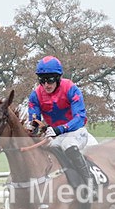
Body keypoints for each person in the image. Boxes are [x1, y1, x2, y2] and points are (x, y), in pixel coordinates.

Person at [27, 56, 96, 199]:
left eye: (50, 79)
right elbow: (34, 121)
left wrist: (60, 129)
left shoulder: (71, 88)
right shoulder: (35, 96)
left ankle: (90, 185)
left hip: (76, 132)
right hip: (54, 135)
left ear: (58, 78)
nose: (46, 84)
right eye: (42, 80)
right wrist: (32, 129)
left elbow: (80, 118)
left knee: (68, 144)